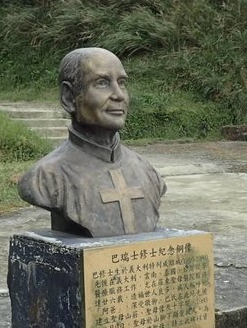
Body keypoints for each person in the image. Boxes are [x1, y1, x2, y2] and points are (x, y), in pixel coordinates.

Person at [18, 47, 166, 237]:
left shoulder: (147, 171)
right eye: (102, 83)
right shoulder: (46, 177)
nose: (118, 94)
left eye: (122, 83)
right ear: (69, 97)